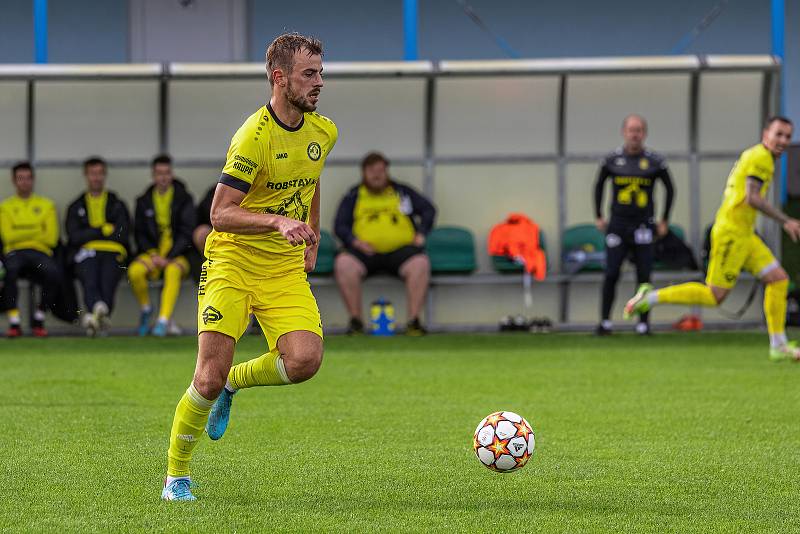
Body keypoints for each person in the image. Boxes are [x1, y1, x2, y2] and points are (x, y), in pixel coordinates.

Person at [161, 32, 337, 501]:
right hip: (233, 262)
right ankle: (176, 476)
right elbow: (220, 213)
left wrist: (311, 234)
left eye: (321, 72)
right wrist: (278, 220)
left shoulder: (324, 131)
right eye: (310, 74)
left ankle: (235, 385)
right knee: (206, 376)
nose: (320, 82)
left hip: (282, 269)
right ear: (280, 79)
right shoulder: (253, 137)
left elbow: (312, 179)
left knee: (305, 361)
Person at [625, 116, 800, 361]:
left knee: (778, 280)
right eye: (778, 134)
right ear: (765, 134)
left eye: (787, 136)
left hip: (745, 234)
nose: (782, 140)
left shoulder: (758, 156)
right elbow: (752, 198)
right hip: (731, 235)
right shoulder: (760, 157)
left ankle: (778, 345)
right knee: (714, 295)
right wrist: (787, 221)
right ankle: (650, 297)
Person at [333, 152, 436, 336]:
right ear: (363, 173)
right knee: (343, 263)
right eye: (372, 170)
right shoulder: (353, 195)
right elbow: (340, 226)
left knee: (420, 262)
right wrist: (355, 242)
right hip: (365, 253)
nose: (377, 175)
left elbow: (429, 210)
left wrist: (421, 233)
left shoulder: (402, 191)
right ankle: (356, 322)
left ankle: (413, 322)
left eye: (381, 170)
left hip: (401, 251)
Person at [594, 114, 674, 336]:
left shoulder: (655, 161)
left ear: (644, 134)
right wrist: (599, 215)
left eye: (639, 130)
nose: (635, 134)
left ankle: (643, 324)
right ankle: (605, 323)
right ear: (624, 132)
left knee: (644, 276)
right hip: (618, 225)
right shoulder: (612, 160)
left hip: (643, 226)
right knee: (611, 274)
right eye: (631, 130)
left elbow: (670, 189)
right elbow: (598, 185)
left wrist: (664, 219)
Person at [128, 154, 195, 337]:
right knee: (134, 272)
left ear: (172, 174)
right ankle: (146, 308)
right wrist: (152, 254)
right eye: (159, 173)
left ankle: (163, 321)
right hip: (152, 254)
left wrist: (169, 256)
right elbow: (139, 233)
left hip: (178, 254)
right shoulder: (143, 200)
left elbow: (187, 232)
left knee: (173, 271)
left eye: (167, 173)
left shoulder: (184, 198)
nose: (163, 177)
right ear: (153, 175)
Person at [65, 157, 130, 337]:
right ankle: (100, 312)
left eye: (100, 173)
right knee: (90, 276)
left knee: (108, 280)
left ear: (105, 175)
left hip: (113, 252)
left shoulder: (117, 203)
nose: (96, 178)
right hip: (87, 252)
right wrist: (102, 229)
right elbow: (74, 236)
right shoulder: (76, 205)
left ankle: (94, 316)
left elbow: (123, 233)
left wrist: (90, 232)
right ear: (86, 176)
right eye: (93, 174)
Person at [0, 162, 61, 337]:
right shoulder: (5, 207)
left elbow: (51, 238)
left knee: (53, 272)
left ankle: (39, 319)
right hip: (14, 252)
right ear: (14, 180)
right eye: (20, 178)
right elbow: (8, 237)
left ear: (33, 180)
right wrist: (36, 229)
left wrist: (20, 230)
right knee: (8, 271)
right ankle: (14, 322)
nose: (24, 182)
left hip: (40, 251)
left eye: (28, 178)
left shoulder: (47, 205)